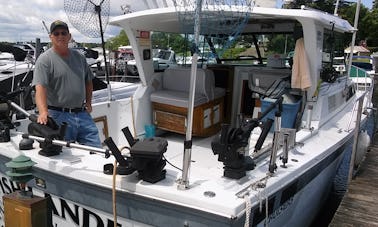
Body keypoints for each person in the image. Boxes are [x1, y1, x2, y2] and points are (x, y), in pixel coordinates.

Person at [32, 20, 102, 148]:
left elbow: (88, 81)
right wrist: (43, 112)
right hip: (59, 115)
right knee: (63, 155)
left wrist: (89, 103)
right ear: (51, 37)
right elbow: (40, 88)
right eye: (56, 33)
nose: (60, 36)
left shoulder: (80, 57)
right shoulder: (44, 60)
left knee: (97, 150)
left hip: (82, 114)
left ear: (69, 37)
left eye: (64, 33)